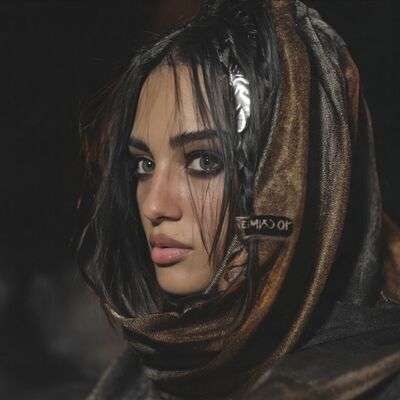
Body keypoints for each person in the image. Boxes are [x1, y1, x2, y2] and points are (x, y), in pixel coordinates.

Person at [78, 0, 400, 398]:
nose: (153, 206)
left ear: (292, 176)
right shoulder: (140, 377)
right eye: (144, 165)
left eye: (204, 161)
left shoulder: (370, 384)